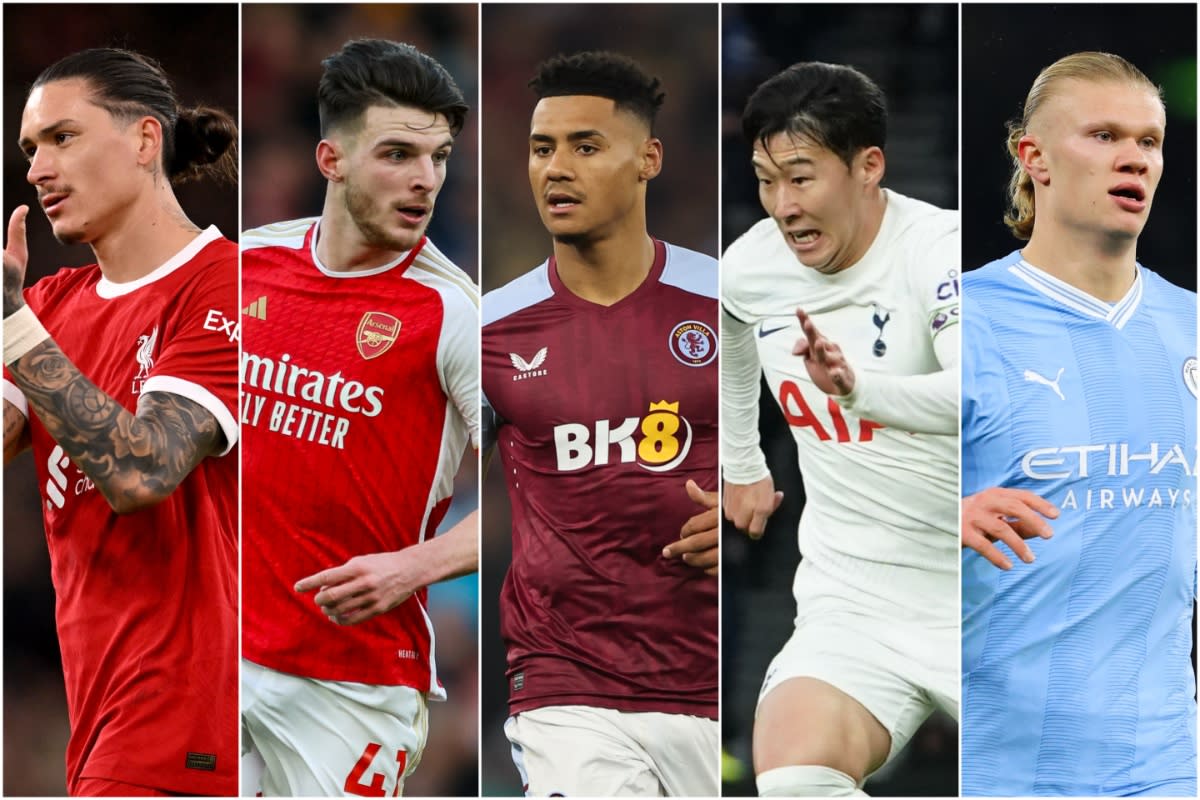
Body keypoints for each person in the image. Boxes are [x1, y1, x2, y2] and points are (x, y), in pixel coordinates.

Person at [239, 38, 479, 797]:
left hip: (352, 684)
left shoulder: (453, 313)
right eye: (398, 154)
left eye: (438, 157)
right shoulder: (244, 266)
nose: (425, 180)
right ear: (330, 159)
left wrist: (418, 565)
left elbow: (546, 488)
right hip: (216, 654)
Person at [481, 51, 719, 797]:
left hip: (715, 676)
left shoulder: (730, 304)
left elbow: (820, 457)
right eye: (542, 148)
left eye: (586, 147)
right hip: (565, 683)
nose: (557, 168)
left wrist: (762, 506)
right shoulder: (491, 329)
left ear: (648, 158)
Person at [2, 48, 238, 796]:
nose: (38, 169)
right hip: (102, 726)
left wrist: (13, 326)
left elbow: (142, 472)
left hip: (187, 729)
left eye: (62, 138)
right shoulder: (51, 307)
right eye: (31, 150)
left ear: (144, 140)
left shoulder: (228, 285)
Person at [721, 62, 960, 796]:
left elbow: (977, 395)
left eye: (801, 177)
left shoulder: (938, 249)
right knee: (793, 776)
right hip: (853, 601)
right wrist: (742, 461)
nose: (782, 206)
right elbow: (730, 326)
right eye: (766, 180)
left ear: (868, 167)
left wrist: (860, 391)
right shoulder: (753, 266)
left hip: (993, 594)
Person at [961, 51, 1196, 796]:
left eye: (1149, 141)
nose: (1133, 158)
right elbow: (853, 503)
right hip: (1001, 768)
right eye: (1102, 135)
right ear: (1034, 159)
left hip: (1166, 765)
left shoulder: (1192, 328)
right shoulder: (959, 320)